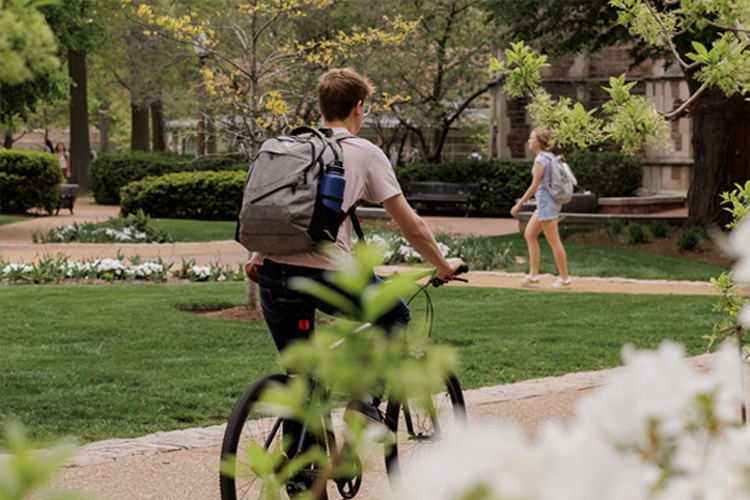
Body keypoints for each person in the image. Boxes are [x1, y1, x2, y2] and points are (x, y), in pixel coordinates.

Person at [244, 67, 464, 432]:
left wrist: (255, 256)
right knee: (394, 315)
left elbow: (279, 207)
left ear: (321, 105)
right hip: (327, 273)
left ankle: (300, 473)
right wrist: (442, 264)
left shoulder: (294, 146)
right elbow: (411, 225)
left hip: (270, 271)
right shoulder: (364, 151)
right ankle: (365, 402)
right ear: (358, 107)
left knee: (302, 375)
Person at [510, 128, 571, 289]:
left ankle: (564, 280)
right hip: (546, 203)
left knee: (554, 241)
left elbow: (534, 186)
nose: (529, 141)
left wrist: (519, 204)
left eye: (531, 138)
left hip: (546, 204)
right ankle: (533, 276)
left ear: (539, 142)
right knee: (529, 235)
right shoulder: (549, 157)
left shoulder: (540, 160)